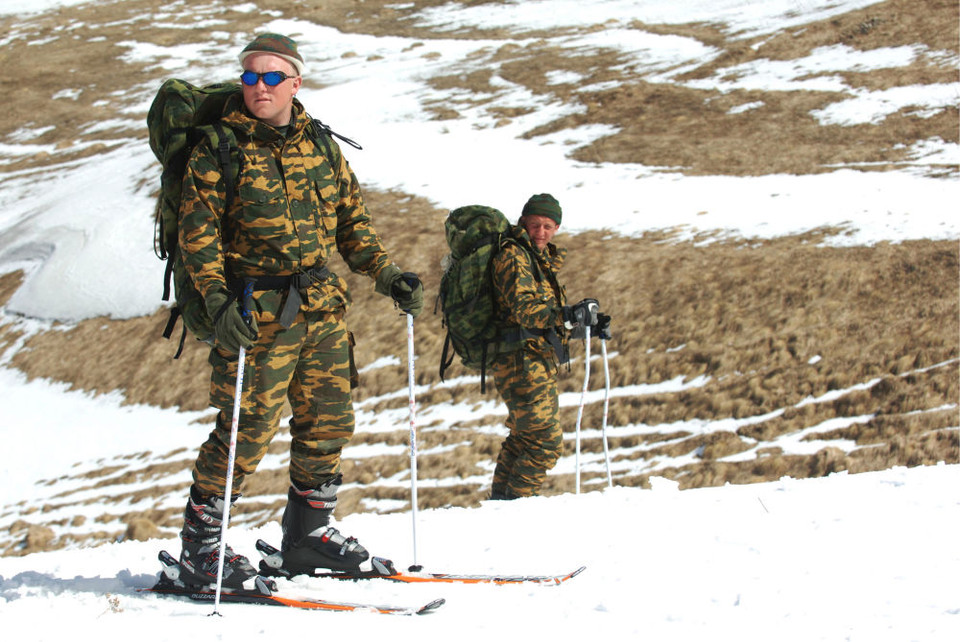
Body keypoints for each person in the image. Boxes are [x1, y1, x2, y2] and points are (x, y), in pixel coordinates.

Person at [175, 33, 423, 587]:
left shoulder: (321, 145)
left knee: (328, 421)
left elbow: (352, 226)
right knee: (245, 431)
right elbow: (199, 238)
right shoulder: (219, 146)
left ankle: (308, 537)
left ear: (294, 82)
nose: (257, 87)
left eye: (269, 77)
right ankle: (201, 549)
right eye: (249, 77)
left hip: (321, 308)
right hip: (254, 314)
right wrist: (217, 302)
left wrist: (388, 275)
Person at [488, 193, 606, 500]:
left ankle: (500, 506)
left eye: (548, 226)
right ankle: (515, 507)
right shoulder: (514, 256)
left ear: (557, 228)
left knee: (524, 438)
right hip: (519, 360)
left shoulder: (537, 259)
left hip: (532, 357)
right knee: (545, 443)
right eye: (535, 224)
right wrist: (567, 315)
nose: (541, 232)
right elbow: (524, 310)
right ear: (524, 221)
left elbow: (543, 318)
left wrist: (584, 325)